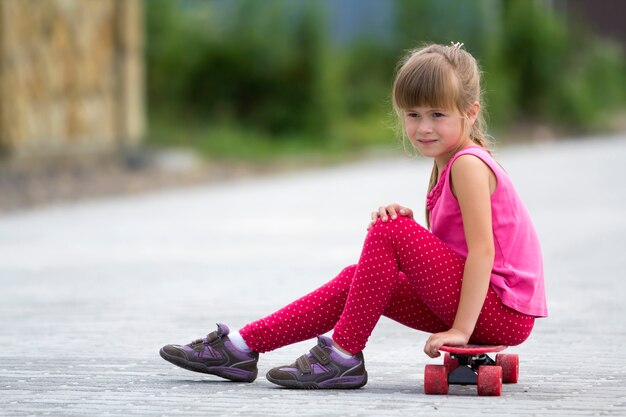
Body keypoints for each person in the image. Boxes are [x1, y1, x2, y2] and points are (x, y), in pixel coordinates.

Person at [159, 42, 548, 389]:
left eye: (437, 114)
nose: (423, 127)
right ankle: (241, 347)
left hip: (499, 312)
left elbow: (483, 252)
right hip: (485, 306)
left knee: (390, 229)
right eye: (412, 115)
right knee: (358, 278)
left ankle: (343, 356)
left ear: (470, 112)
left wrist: (461, 330)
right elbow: (455, 251)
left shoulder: (467, 164)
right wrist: (415, 236)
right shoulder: (448, 165)